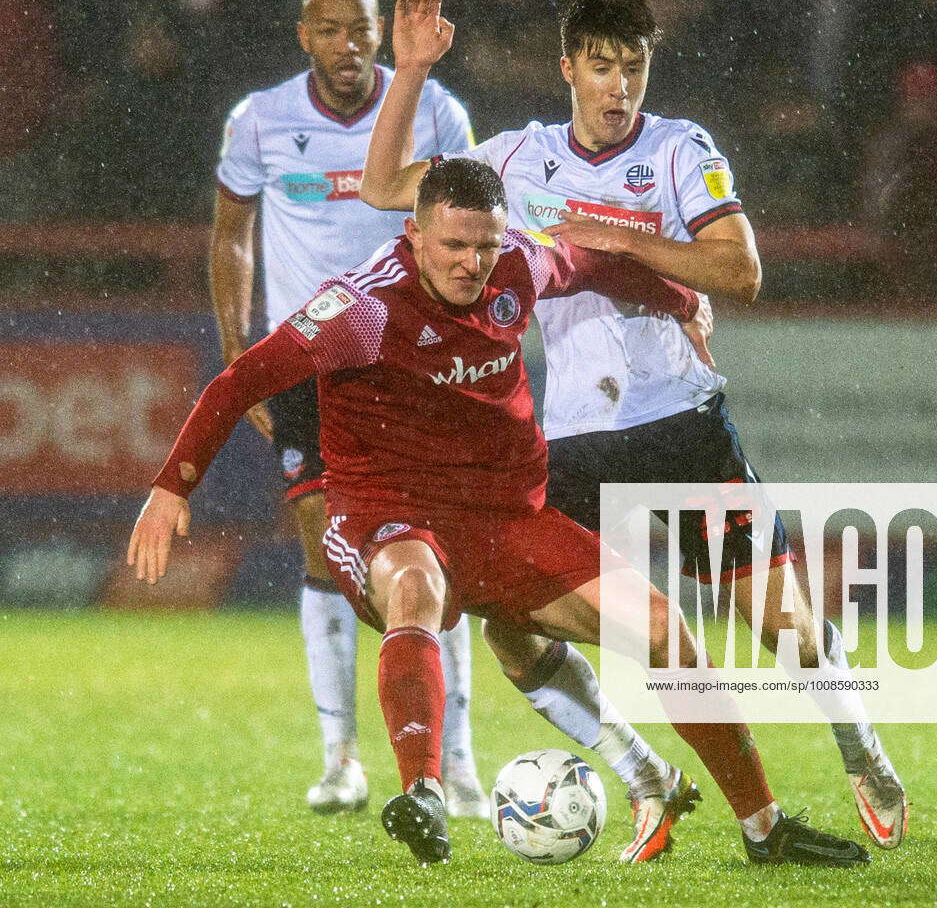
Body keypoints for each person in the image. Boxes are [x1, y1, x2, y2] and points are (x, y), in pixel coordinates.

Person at [130, 157, 871, 868]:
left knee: (664, 632)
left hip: (509, 521)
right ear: (414, 234)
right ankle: (422, 790)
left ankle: (764, 827)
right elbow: (237, 382)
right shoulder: (358, 309)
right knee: (416, 591)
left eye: (484, 246)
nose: (471, 264)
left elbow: (593, 266)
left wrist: (679, 300)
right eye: (453, 245)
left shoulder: (518, 262)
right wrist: (172, 488)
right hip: (391, 515)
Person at [360, 0, 908, 850]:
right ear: (568, 67)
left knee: (784, 627)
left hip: (681, 425)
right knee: (510, 624)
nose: (620, 88)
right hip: (574, 441)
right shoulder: (520, 157)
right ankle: (644, 776)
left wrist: (622, 241)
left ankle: (862, 749)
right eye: (604, 68)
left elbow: (741, 273)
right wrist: (414, 72)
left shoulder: (681, 147)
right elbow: (382, 185)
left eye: (635, 69)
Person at [209, 0, 488, 818]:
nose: (347, 45)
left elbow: (475, 226)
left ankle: (460, 762)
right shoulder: (259, 120)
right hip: (310, 367)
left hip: (412, 362)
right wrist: (237, 355)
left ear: (379, 33)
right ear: (304, 35)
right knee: (319, 550)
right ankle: (341, 758)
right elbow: (231, 239)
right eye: (329, 30)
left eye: (360, 29)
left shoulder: (434, 111)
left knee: (439, 559)